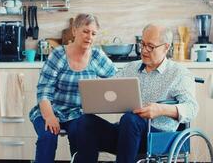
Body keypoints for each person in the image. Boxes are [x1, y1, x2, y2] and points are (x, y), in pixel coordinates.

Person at [75, 24, 199, 163]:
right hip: (127, 134)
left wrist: (160, 109)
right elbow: (109, 88)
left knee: (130, 119)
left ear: (166, 47)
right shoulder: (132, 68)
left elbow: (192, 109)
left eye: (150, 46)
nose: (144, 50)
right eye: (142, 44)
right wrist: (93, 90)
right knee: (84, 122)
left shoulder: (179, 73)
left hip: (158, 137)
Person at [29, 13, 117, 163]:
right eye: (85, 31)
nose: (89, 36)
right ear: (75, 31)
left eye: (93, 33)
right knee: (47, 137)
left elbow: (117, 79)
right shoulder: (58, 54)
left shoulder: (97, 56)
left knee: (83, 134)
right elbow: (44, 90)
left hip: (77, 114)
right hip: (51, 109)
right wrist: (50, 117)